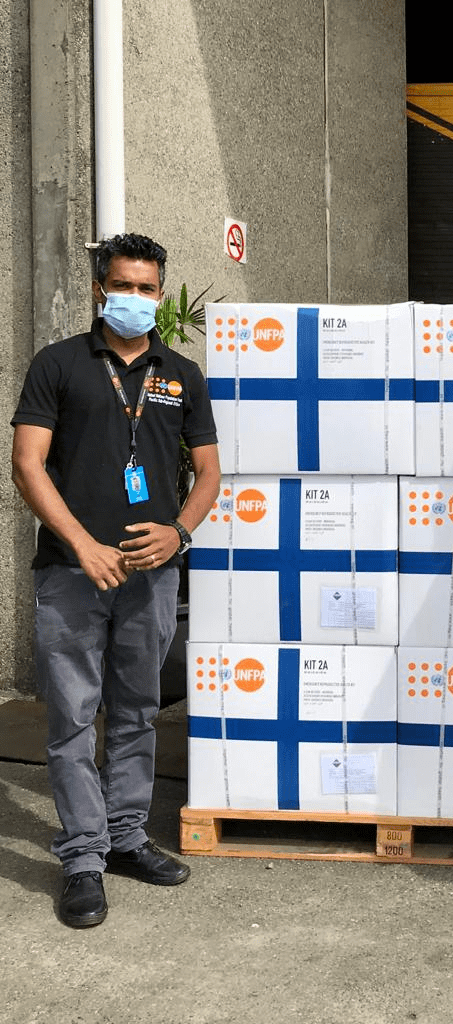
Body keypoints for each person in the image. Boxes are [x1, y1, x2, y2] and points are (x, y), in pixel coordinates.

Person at [11, 233, 221, 928]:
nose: (137, 299)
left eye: (148, 288)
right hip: (73, 576)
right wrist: (82, 545)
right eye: (124, 286)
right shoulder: (60, 364)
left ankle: (126, 837)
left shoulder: (181, 374)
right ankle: (82, 859)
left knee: (134, 710)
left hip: (152, 577)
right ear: (101, 288)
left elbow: (209, 471)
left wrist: (179, 533)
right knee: (73, 718)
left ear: (161, 293)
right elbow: (28, 465)